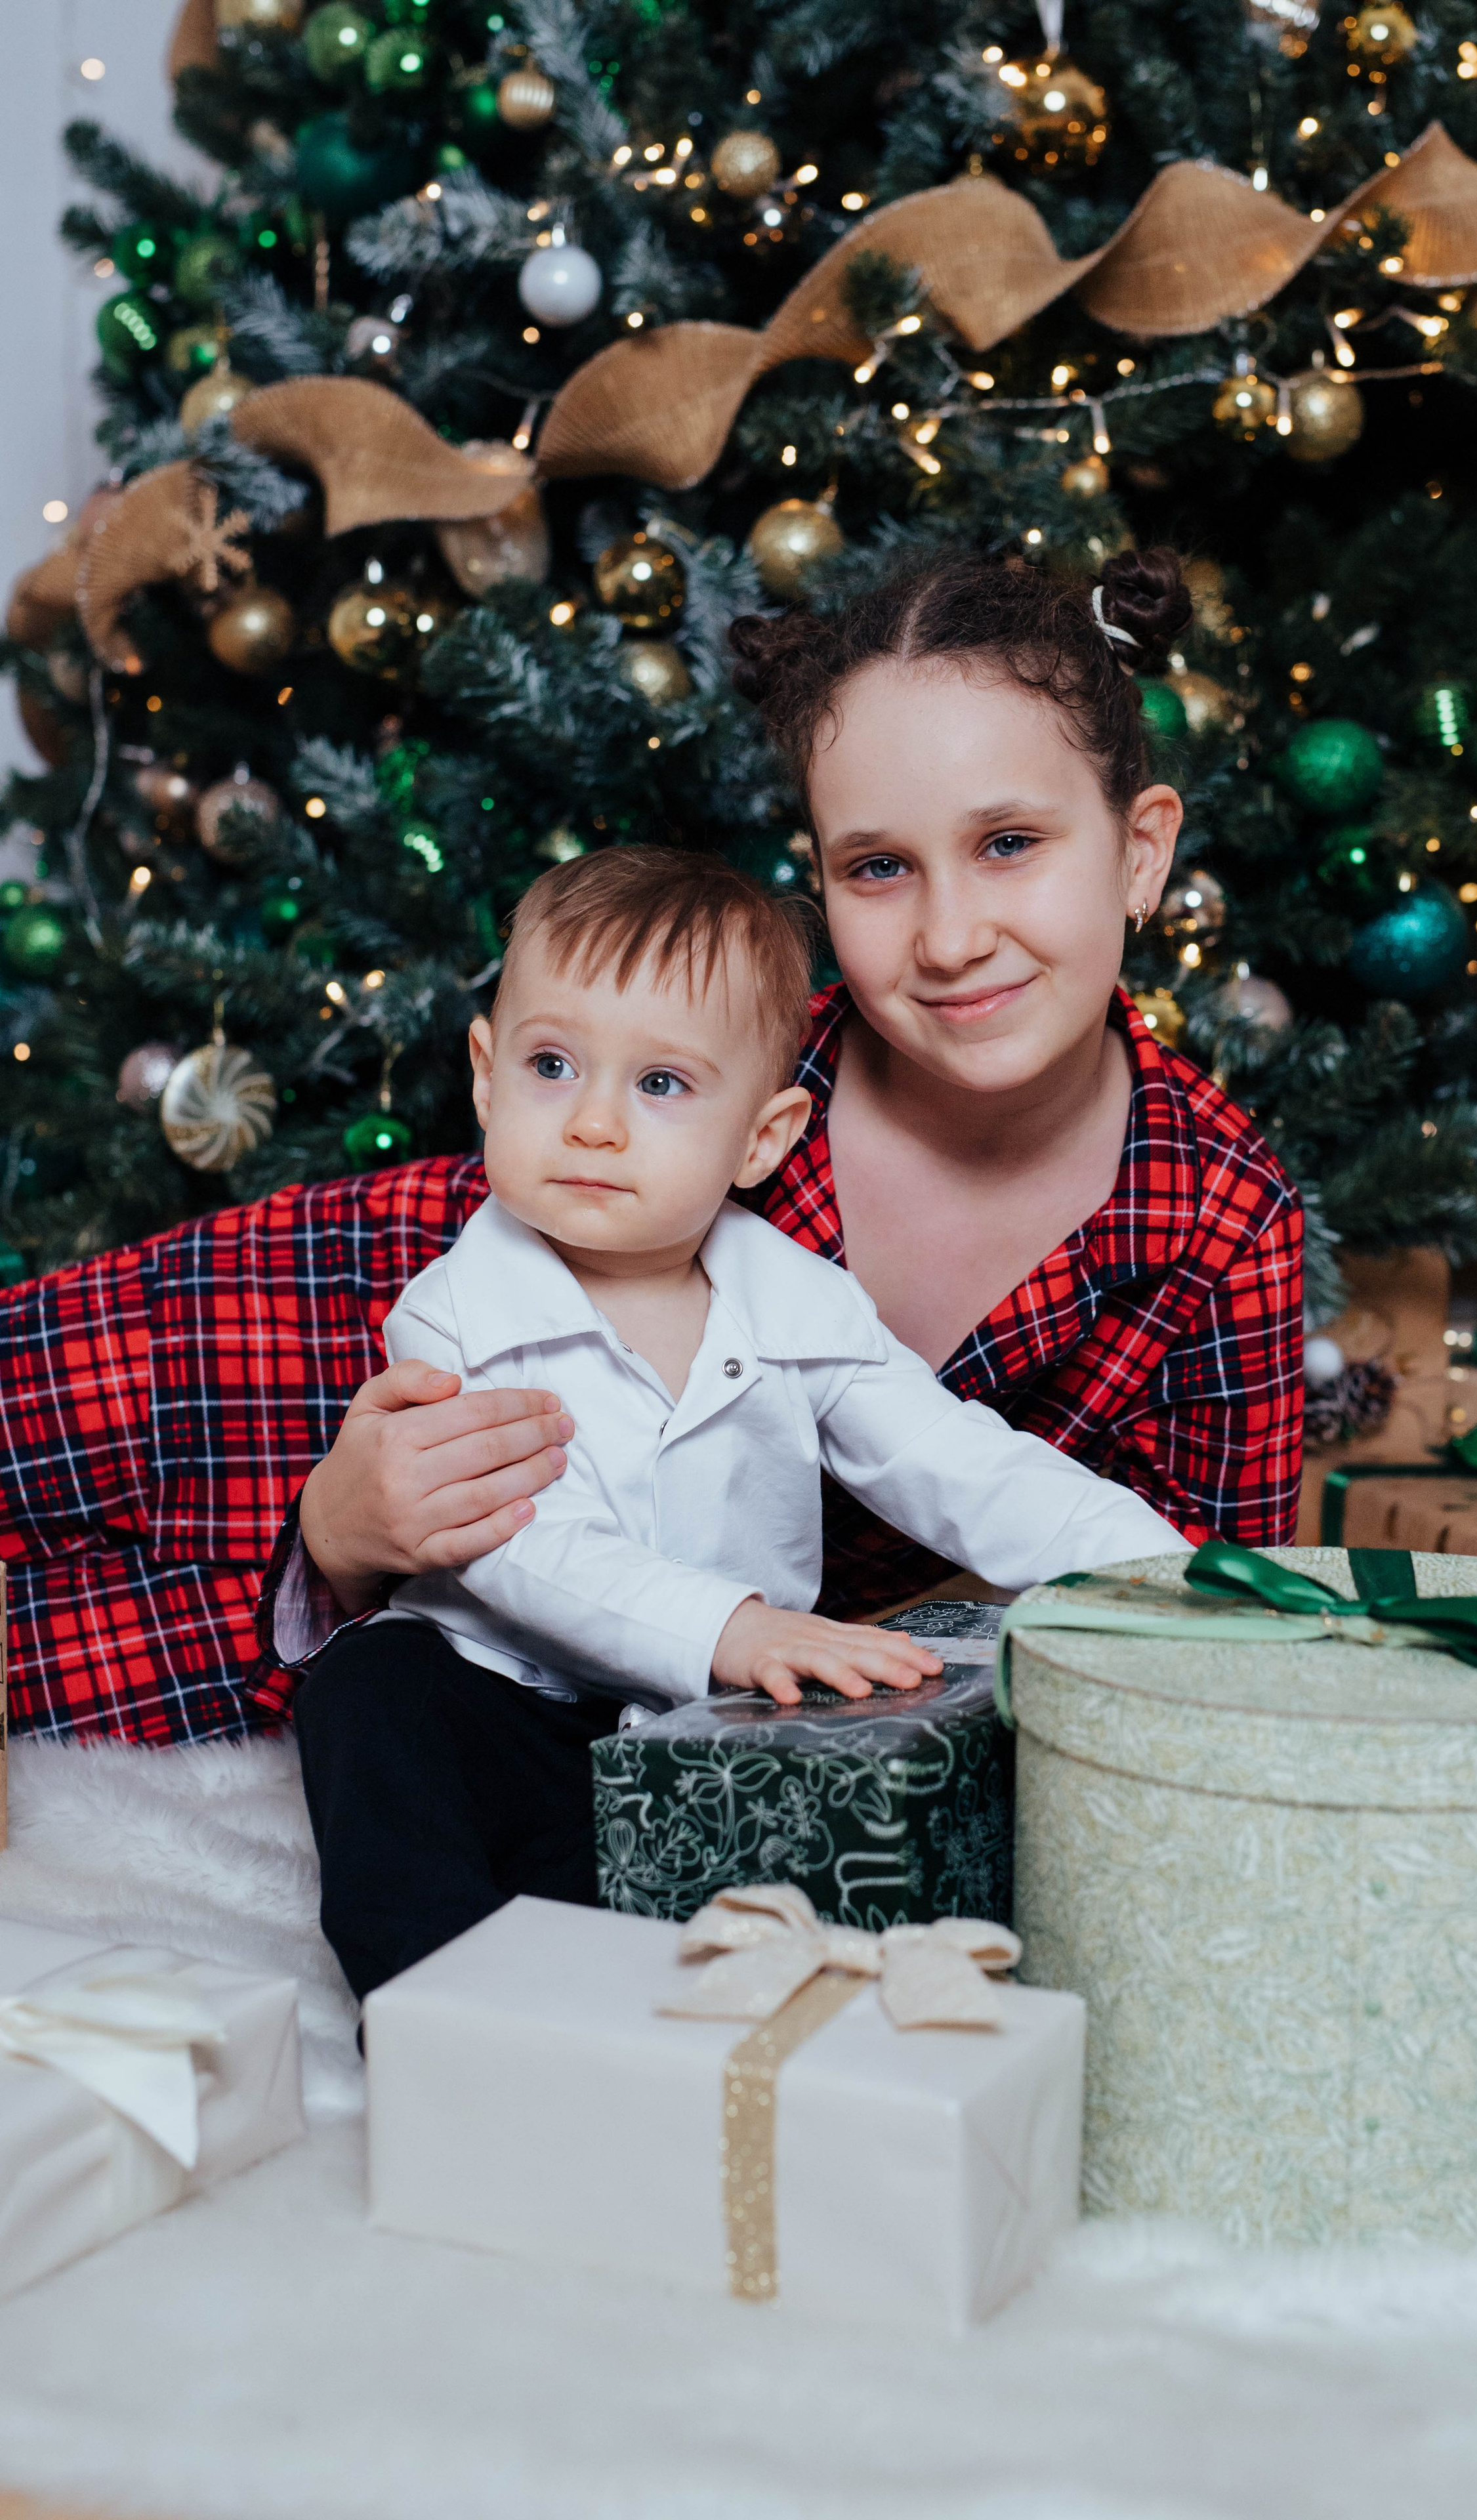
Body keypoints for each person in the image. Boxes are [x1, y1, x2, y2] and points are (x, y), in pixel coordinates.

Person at [264, 545, 1302, 1673]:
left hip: (746, 1685)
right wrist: (337, 1537)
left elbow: (1199, 1610)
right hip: (411, 1459)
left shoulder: (1222, 1214)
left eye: (1009, 845)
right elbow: (478, 1396)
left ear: (1141, 852)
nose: (951, 940)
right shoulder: (713, 1070)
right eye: (878, 868)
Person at [295, 849, 1189, 1998]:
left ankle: (622, 1985)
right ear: (485, 1076)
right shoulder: (460, 1315)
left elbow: (957, 1461)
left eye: (660, 1085)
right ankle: (436, 2016)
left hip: (706, 1726)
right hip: (500, 1691)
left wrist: (1161, 1570)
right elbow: (522, 1545)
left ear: (762, 1139)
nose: (596, 1125)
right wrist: (737, 1625)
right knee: (371, 1699)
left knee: (712, 1865)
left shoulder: (798, 1305)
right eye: (554, 1065)